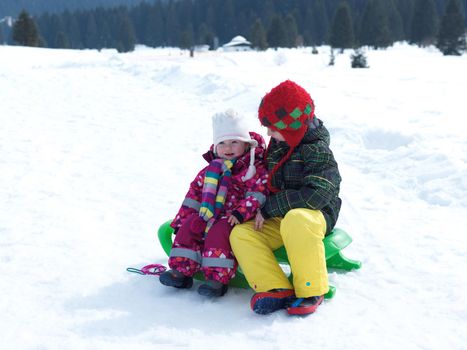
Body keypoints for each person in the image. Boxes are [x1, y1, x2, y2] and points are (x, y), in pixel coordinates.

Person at [230, 80, 342, 315]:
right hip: (281, 216)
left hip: (312, 217)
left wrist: (271, 206)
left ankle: (311, 289)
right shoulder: (281, 143)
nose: (268, 133)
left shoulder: (317, 150)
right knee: (241, 233)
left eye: (272, 128)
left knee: (296, 219)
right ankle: (275, 287)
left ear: (291, 127)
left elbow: (318, 195)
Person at [159, 109, 268, 297]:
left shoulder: (252, 169)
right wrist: (181, 220)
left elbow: (258, 193)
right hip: (207, 213)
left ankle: (217, 279)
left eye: (234, 142)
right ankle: (181, 271)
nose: (228, 148)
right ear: (215, 146)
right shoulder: (210, 170)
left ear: (246, 144)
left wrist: (240, 212)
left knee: (219, 233)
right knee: (189, 226)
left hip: (234, 218)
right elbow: (193, 196)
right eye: (222, 143)